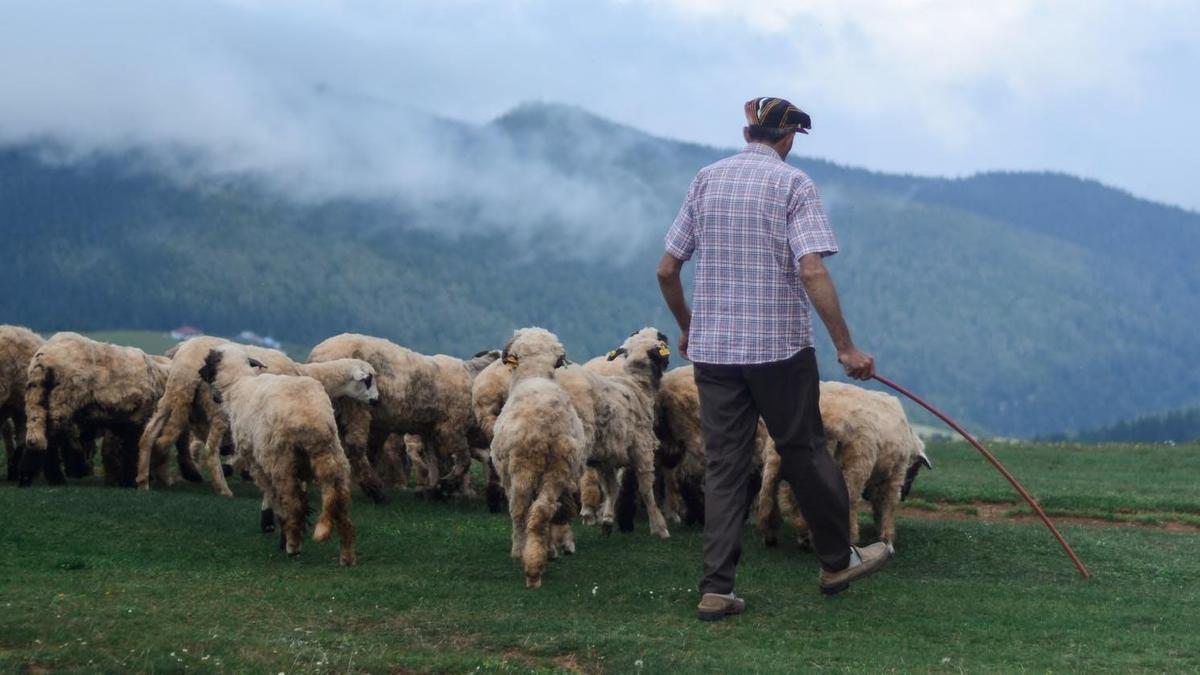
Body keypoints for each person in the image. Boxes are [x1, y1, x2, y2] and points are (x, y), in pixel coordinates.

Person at [656, 97, 893, 622]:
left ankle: (716, 589)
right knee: (805, 450)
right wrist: (846, 347)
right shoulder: (795, 186)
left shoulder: (705, 180)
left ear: (748, 132)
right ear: (787, 139)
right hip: (779, 351)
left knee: (724, 464)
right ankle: (836, 562)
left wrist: (689, 327)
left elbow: (667, 270)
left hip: (714, 357)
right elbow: (811, 270)